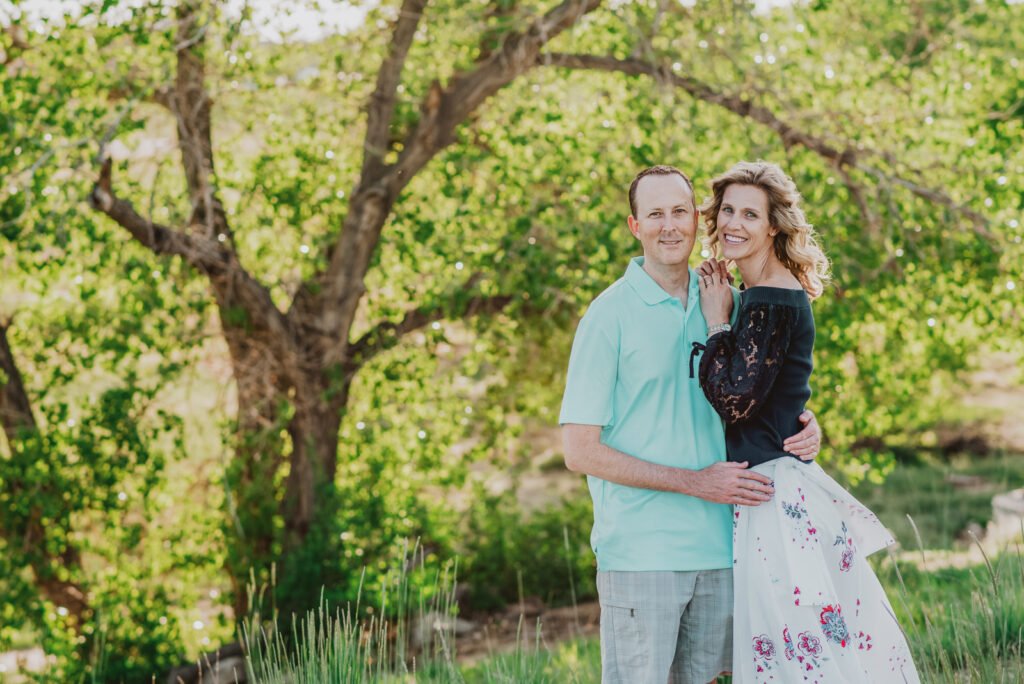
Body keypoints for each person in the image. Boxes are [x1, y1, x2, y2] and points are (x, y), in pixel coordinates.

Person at [559, 165, 822, 684]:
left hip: (727, 548)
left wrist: (805, 425)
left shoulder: (726, 302)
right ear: (635, 226)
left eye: (680, 211)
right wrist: (696, 482)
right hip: (642, 554)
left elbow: (760, 392)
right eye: (654, 214)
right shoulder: (607, 316)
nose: (669, 225)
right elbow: (579, 451)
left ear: (697, 221)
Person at [694, 160, 920, 683]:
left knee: (797, 649)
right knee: (799, 645)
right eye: (728, 209)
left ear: (774, 226)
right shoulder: (763, 293)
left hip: (772, 496)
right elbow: (777, 393)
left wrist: (716, 321)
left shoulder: (769, 298)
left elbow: (733, 400)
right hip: (771, 484)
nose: (734, 222)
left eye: (751, 214)